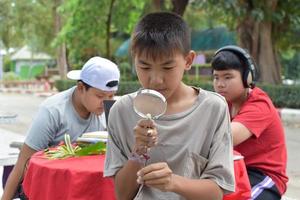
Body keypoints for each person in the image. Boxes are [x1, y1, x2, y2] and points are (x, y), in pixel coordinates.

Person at [104, 12, 235, 200]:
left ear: (188, 61)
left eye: (167, 67)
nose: (156, 80)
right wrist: (139, 151)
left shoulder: (213, 108)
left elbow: (216, 192)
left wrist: (173, 183)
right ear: (134, 60)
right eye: (145, 67)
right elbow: (123, 194)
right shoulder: (122, 111)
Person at [1, 56, 120, 200]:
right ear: (81, 88)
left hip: (83, 185)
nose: (106, 102)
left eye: (111, 95)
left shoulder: (105, 108)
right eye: (100, 96)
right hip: (48, 186)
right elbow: (23, 162)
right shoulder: (53, 110)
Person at [211, 45, 288, 200]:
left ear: (247, 78)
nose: (220, 84)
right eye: (216, 77)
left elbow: (226, 137)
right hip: (233, 170)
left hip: (263, 177)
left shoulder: (259, 104)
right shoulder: (224, 102)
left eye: (228, 77)